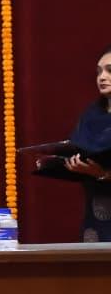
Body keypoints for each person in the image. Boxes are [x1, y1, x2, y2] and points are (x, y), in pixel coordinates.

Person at [64, 44, 111, 241]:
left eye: (110, 70)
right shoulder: (90, 115)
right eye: (99, 72)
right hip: (96, 215)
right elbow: (76, 149)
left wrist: (104, 174)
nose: (102, 77)